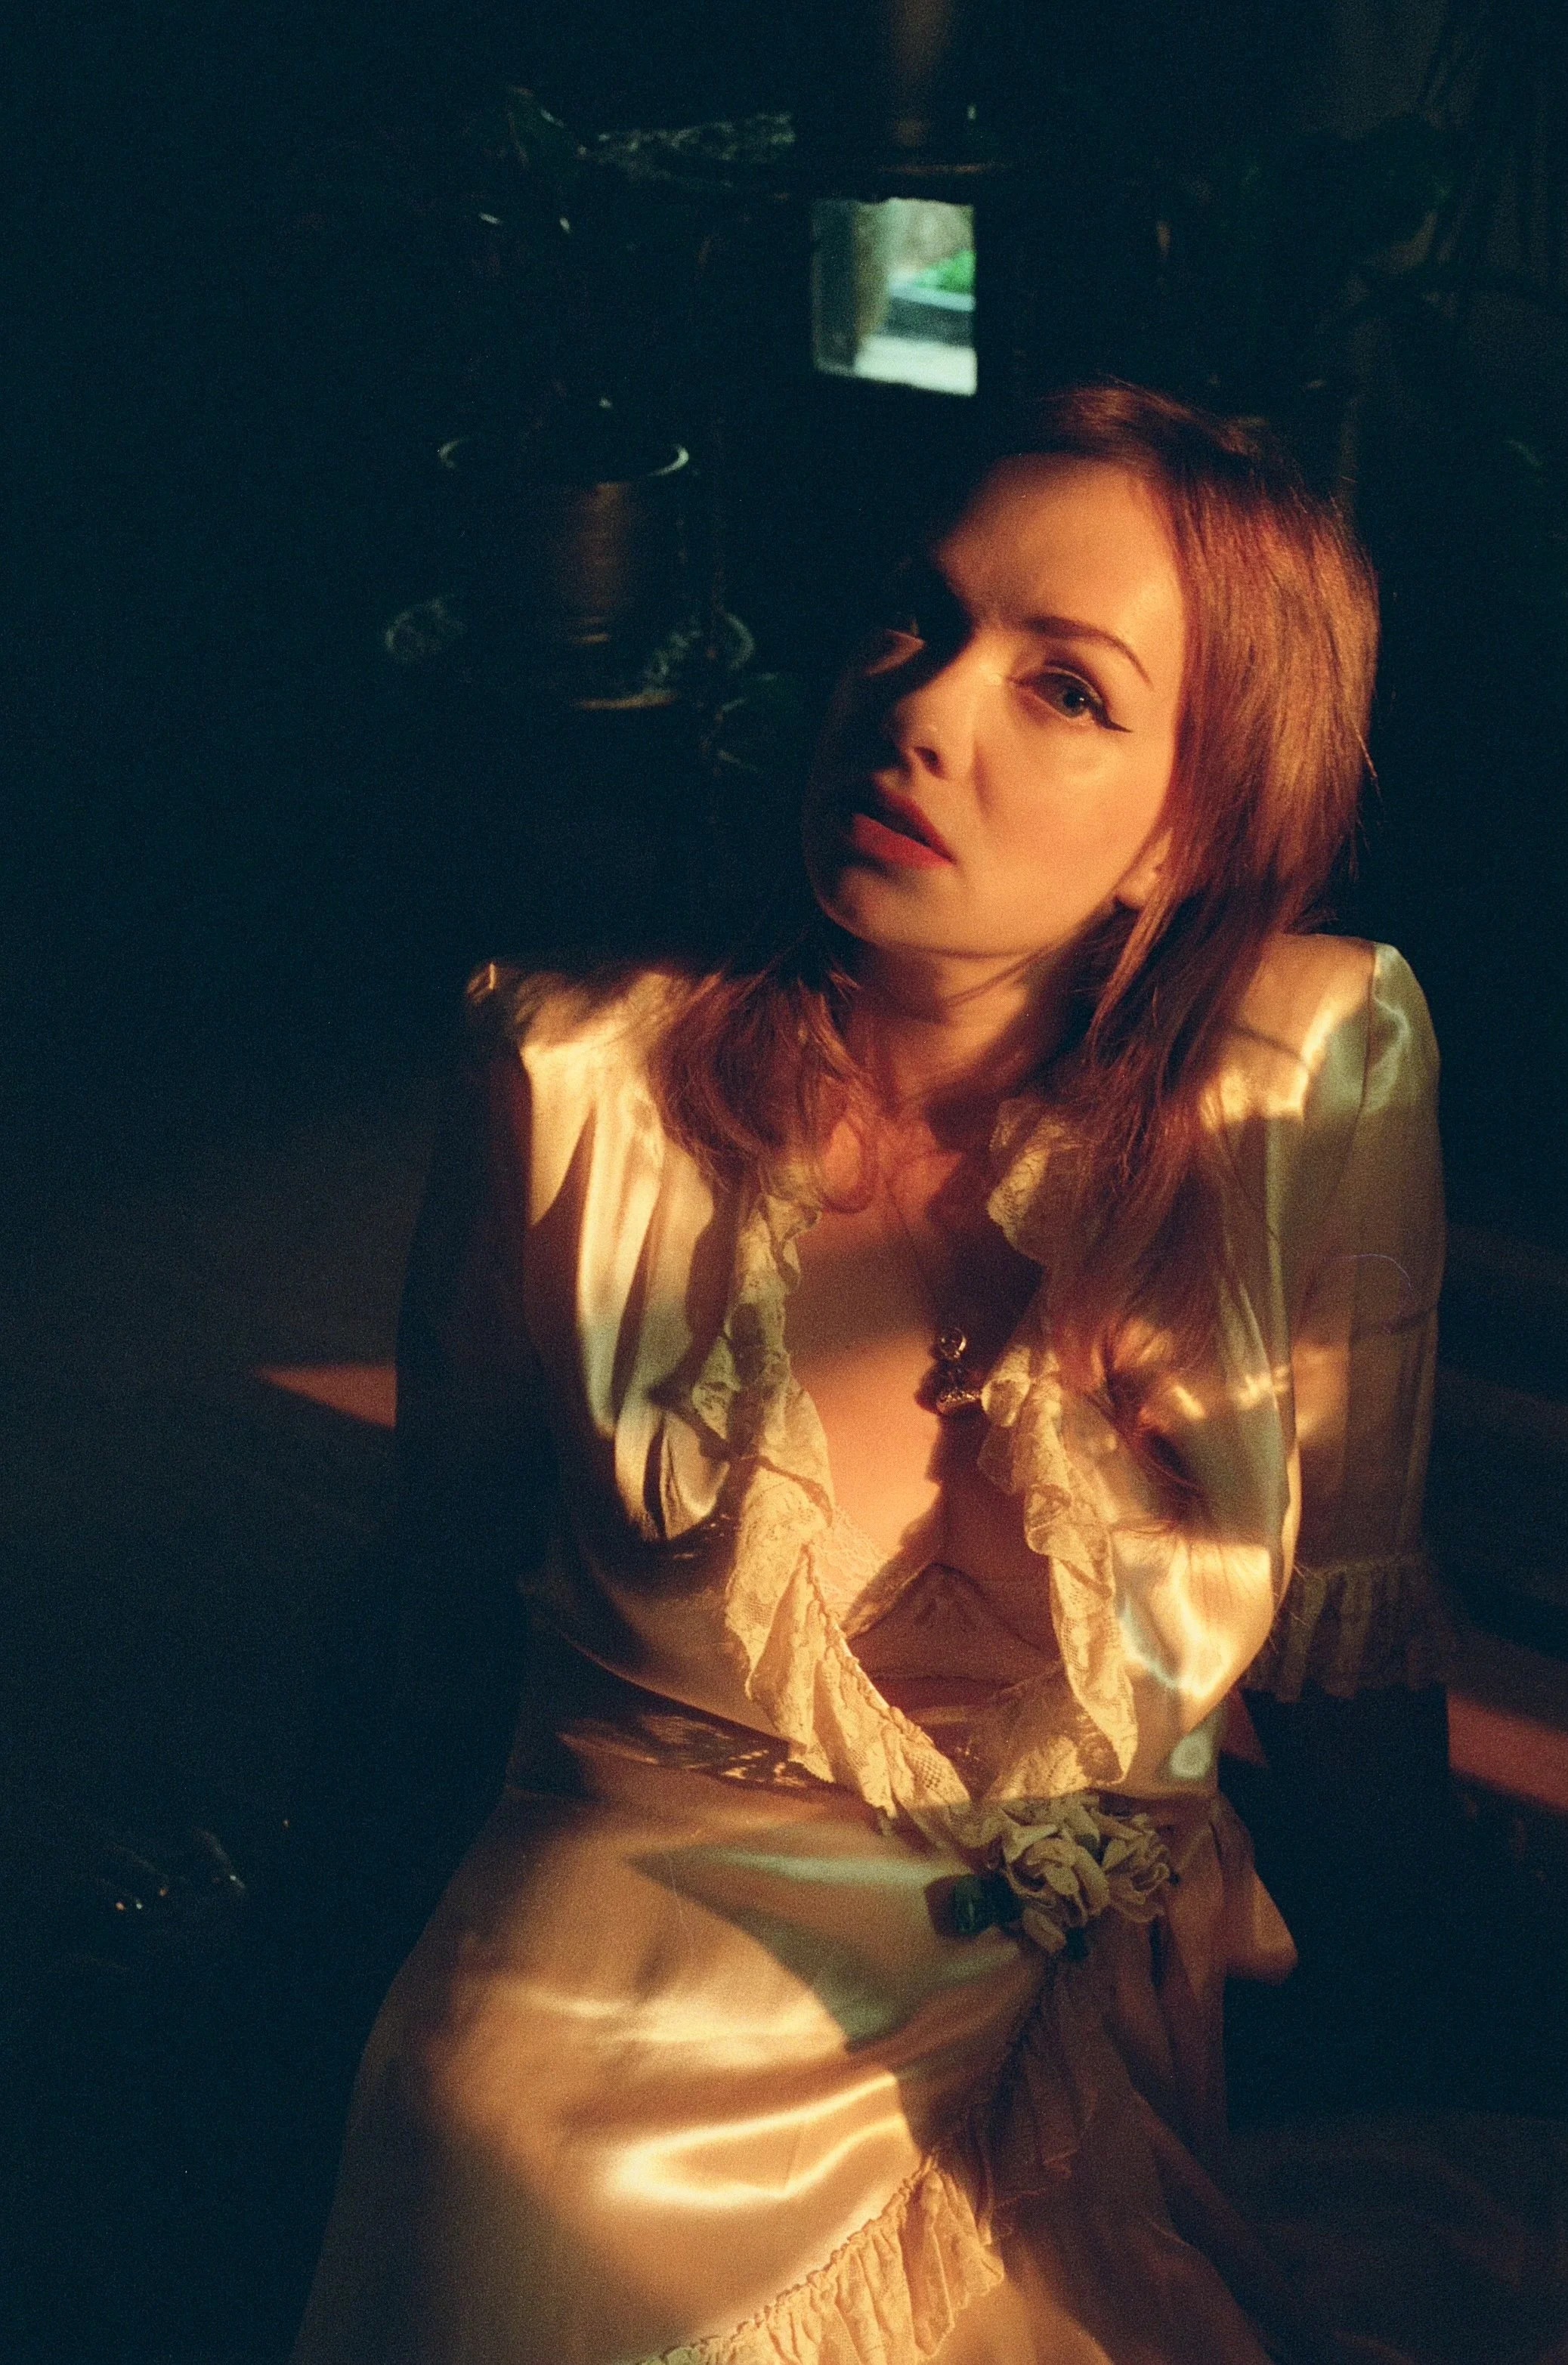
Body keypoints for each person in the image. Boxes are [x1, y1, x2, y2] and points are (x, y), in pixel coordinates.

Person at [290, 383, 1449, 2365]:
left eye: (1063, 690)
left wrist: (1408, 1999)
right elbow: (439, 1588)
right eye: (917, 620)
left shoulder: (1304, 1075)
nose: (924, 708)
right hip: (598, 2094)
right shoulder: (576, 1090)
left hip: (1071, 2078)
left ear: (1194, 821)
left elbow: (1354, 1663)